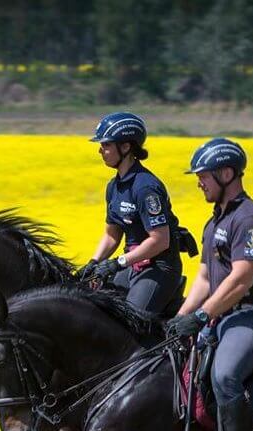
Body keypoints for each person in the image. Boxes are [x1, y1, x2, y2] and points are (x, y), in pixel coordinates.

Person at [166, 138, 253, 431]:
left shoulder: (248, 219)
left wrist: (202, 317)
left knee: (226, 373)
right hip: (222, 315)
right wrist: (179, 319)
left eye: (203, 176)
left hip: (252, 317)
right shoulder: (215, 220)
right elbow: (204, 277)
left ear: (227, 173)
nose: (199, 182)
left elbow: (241, 279)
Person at [76, 112, 183, 316]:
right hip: (132, 265)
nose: (100, 150)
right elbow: (111, 235)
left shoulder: (146, 188)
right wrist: (93, 263)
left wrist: (118, 263)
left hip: (159, 268)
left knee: (129, 321)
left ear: (125, 147)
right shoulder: (113, 187)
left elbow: (160, 241)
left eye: (106, 145)